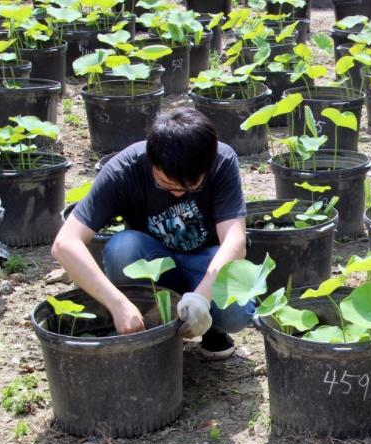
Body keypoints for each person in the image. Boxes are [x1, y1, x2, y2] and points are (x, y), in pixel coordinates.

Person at [52, 107, 253, 360]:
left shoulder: (222, 160)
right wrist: (117, 303)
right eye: (166, 184)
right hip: (152, 260)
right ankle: (154, 328)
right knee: (123, 248)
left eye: (191, 186)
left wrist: (201, 299)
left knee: (236, 311)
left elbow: (235, 240)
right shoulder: (123, 170)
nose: (178, 192)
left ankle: (211, 326)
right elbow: (64, 243)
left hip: (205, 261)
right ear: (151, 159)